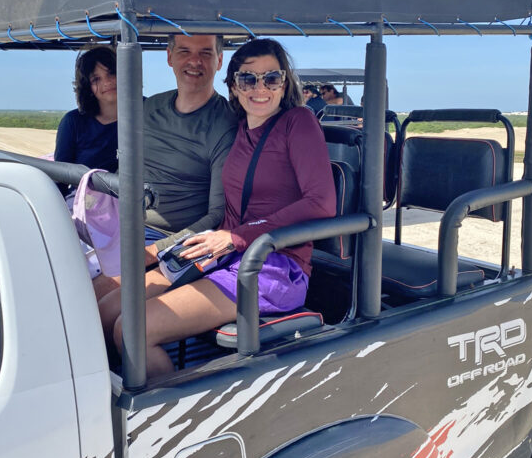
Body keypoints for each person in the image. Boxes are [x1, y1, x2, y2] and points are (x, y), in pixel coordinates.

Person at [100, 37, 337, 379]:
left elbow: (321, 202)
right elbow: (230, 210)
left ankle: (171, 420)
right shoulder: (240, 130)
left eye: (271, 78)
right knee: (109, 309)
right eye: (248, 78)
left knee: (133, 329)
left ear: (284, 83)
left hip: (271, 264)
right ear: (234, 86)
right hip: (225, 251)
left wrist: (236, 238)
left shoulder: (297, 122)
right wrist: (193, 247)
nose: (260, 88)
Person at [92, 33, 238, 297]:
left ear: (219, 61)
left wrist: (152, 252)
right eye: (184, 51)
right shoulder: (151, 108)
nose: (195, 62)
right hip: (123, 225)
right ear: (169, 57)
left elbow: (216, 216)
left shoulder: (224, 124)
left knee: (89, 301)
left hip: (173, 239)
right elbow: (124, 172)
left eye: (205, 53)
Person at [55, 46, 118, 171]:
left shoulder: (149, 112)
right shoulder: (73, 122)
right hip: (85, 191)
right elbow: (60, 177)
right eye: (96, 79)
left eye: (111, 73)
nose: (107, 82)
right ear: (87, 86)